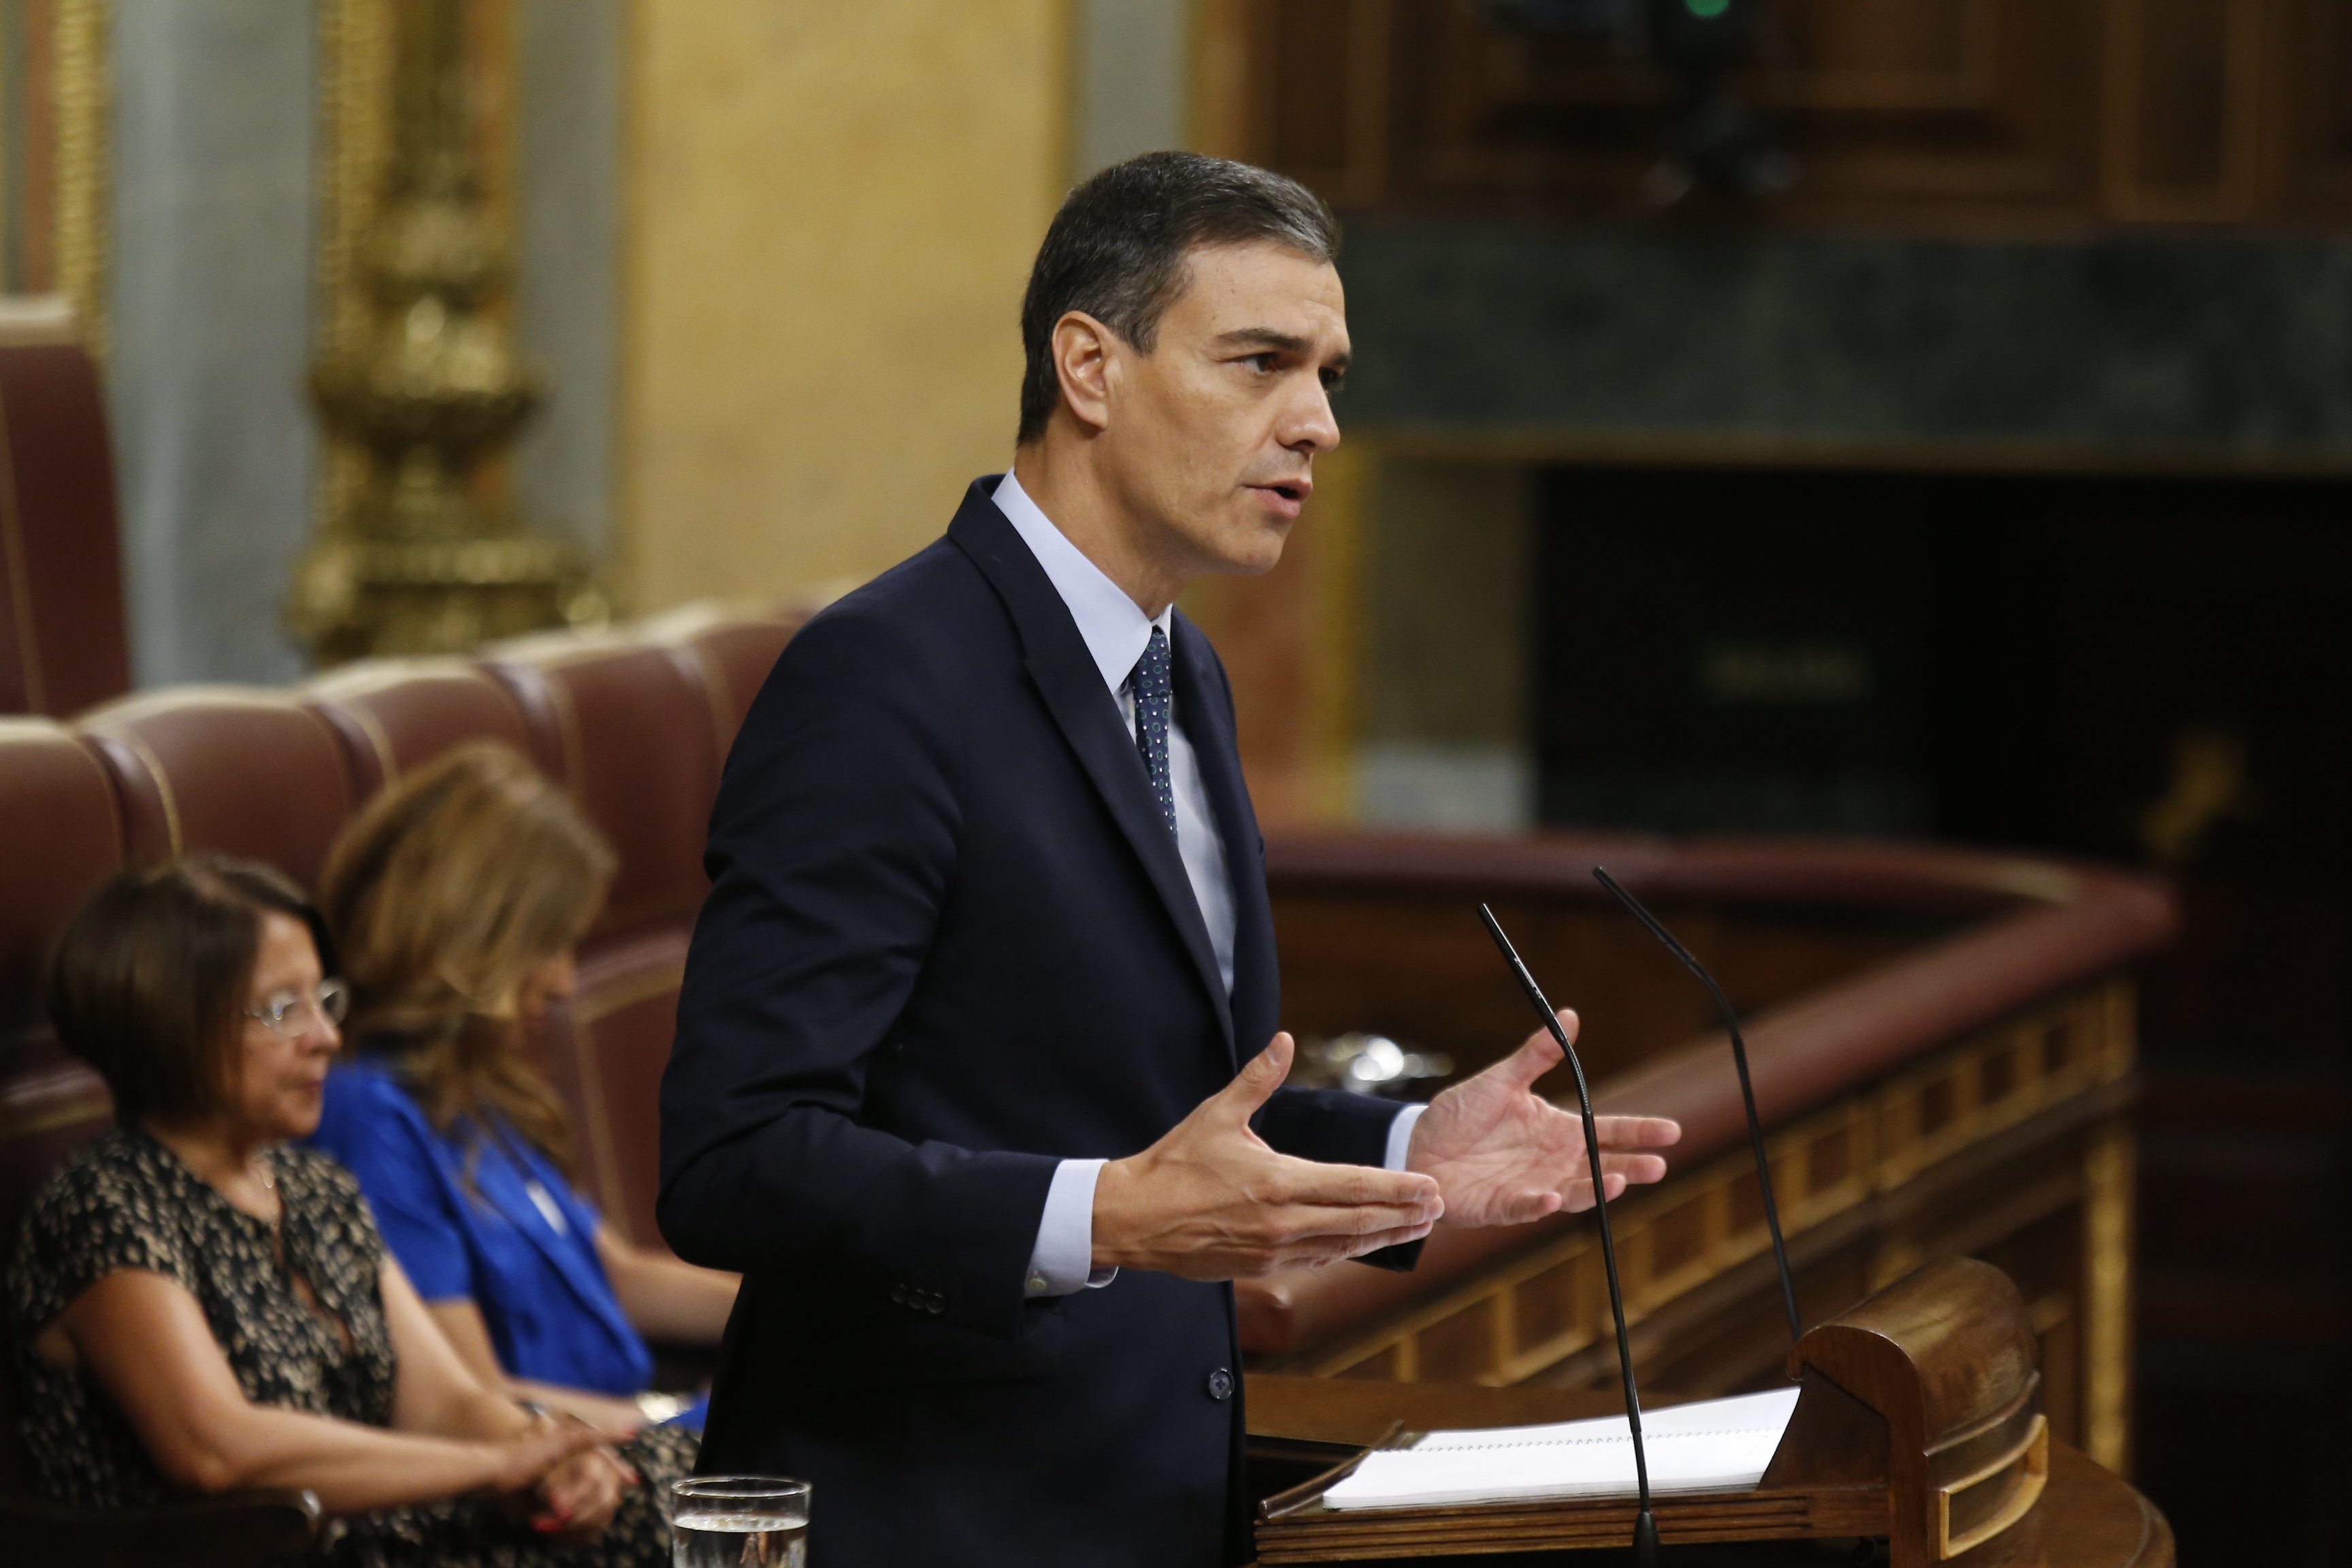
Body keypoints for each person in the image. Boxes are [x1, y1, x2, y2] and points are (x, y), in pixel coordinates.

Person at [659, 151, 1685, 1566]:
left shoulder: (1179, 668)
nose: (1317, 424)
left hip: (1150, 1501)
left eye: (1327, 373)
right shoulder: (886, 679)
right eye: (1261, 363)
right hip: (933, 1514)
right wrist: (1108, 1218)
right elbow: (737, 1159)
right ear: (1090, 365)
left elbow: (1153, 1112)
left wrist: (1406, 1150)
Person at [5, 855, 673, 1566]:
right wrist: (490, 1469)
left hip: (399, 1536)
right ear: (173, 1026)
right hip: (258, 1554)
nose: (325, 1036)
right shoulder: (106, 1204)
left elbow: (446, 1404)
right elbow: (215, 1451)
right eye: (281, 1009)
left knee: (686, 1486)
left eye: (324, 999)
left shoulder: (315, 1188)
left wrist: (550, 1463)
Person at [307, 741, 738, 1433]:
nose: (565, 981)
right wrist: (675, 1429)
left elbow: (616, 1279)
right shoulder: (369, 1116)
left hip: (631, 1426)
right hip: (559, 1473)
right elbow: (474, 1398)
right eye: (548, 944)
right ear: (474, 934)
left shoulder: (471, 1079)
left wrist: (809, 1320)